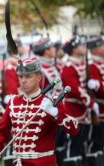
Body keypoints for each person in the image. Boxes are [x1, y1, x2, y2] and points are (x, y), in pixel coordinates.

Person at [0, 57, 79, 166]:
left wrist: (56, 114)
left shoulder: (52, 101)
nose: (23, 80)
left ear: (38, 77)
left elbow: (74, 129)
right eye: (20, 76)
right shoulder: (14, 102)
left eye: (28, 76)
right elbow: (0, 132)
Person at [61, 36, 100, 165]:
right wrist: (91, 102)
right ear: (74, 50)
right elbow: (75, 90)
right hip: (74, 112)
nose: (84, 47)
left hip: (85, 111)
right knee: (74, 145)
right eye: (81, 46)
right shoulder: (68, 66)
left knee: (82, 143)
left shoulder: (83, 63)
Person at [32, 38, 67, 165]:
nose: (54, 49)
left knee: (60, 146)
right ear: (45, 51)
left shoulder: (52, 64)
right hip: (47, 114)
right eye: (51, 47)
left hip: (58, 111)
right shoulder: (40, 69)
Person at [86, 36, 104, 164]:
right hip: (100, 109)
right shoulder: (92, 65)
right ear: (96, 49)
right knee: (97, 141)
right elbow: (98, 90)